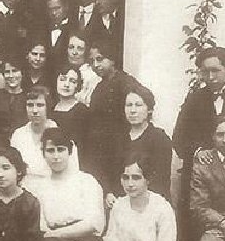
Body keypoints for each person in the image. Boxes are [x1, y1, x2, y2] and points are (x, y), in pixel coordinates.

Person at [173, 46, 225, 241]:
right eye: (205, 71)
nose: (210, 77)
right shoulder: (194, 99)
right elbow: (179, 138)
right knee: (195, 236)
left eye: (215, 70)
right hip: (202, 177)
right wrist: (198, 152)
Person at [87, 38, 141, 197]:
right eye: (92, 61)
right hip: (102, 147)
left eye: (100, 59)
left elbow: (145, 100)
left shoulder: (125, 82)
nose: (96, 65)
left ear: (112, 59)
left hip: (120, 146)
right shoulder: (100, 86)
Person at [106, 85, 172, 206]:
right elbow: (112, 174)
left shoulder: (159, 138)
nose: (132, 110)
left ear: (149, 109)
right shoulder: (117, 138)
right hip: (121, 204)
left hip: (149, 205)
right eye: (129, 105)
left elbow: (160, 182)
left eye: (138, 105)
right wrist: (109, 193)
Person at [10, 86, 79, 197]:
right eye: (30, 105)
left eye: (40, 105)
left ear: (48, 107)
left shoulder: (62, 134)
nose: (35, 111)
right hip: (25, 193)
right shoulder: (18, 135)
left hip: (55, 191)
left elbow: (73, 172)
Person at [51, 64, 89, 167]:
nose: (66, 85)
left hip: (75, 162)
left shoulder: (82, 111)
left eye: (72, 81)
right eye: (63, 79)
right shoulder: (50, 109)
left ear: (78, 85)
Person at [65, 30, 101, 107]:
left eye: (80, 49)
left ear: (86, 52)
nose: (74, 52)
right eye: (71, 47)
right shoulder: (62, 72)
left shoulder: (92, 77)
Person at [43, 0, 72, 69]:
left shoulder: (73, 28)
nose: (54, 13)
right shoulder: (43, 30)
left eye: (57, 8)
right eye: (50, 9)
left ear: (66, 7)